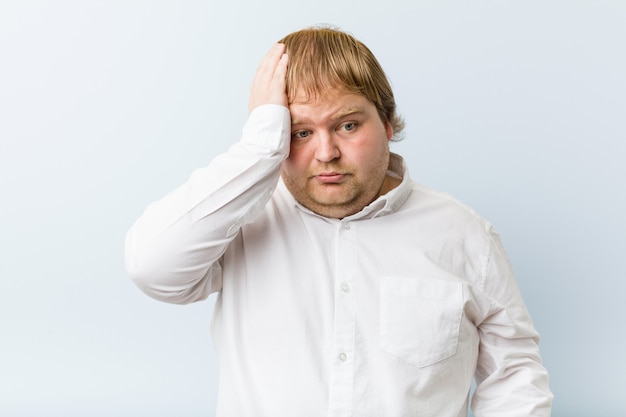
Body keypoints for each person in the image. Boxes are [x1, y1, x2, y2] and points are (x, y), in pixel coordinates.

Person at [125, 26, 553, 417]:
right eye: (300, 132)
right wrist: (257, 149)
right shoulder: (241, 223)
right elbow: (153, 268)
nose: (326, 152)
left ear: (387, 123)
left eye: (347, 125)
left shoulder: (463, 234)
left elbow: (514, 375)